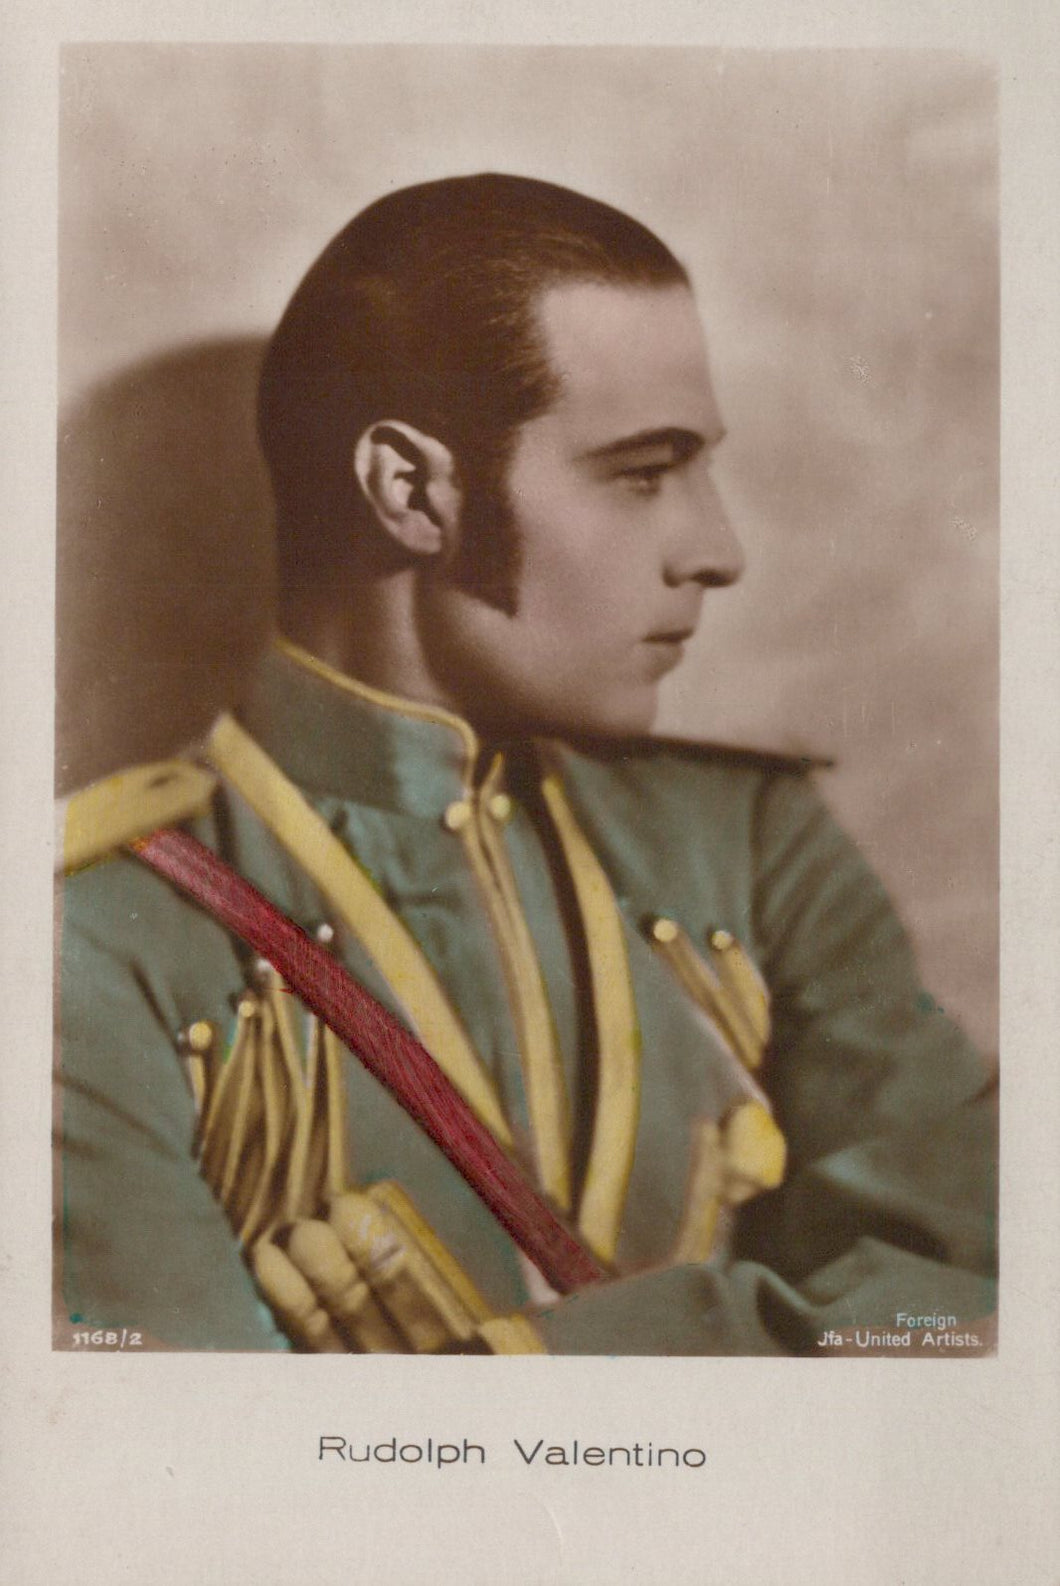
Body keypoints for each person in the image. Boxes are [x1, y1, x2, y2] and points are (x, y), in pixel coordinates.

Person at [58, 173, 996, 1354]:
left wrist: (511, 1370)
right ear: (412, 490)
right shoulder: (88, 940)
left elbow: (967, 1302)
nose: (719, 549)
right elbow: (145, 1481)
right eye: (643, 472)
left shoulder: (748, 844)